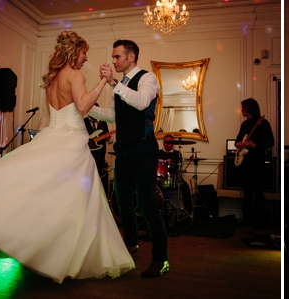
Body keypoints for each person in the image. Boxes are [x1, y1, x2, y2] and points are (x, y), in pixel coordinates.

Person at [0, 31, 133, 283]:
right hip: (71, 145)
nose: (85, 58)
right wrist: (103, 82)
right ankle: (62, 256)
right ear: (73, 52)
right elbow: (82, 107)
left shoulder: (51, 79)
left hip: (53, 137)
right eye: (83, 53)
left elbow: (75, 109)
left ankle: (52, 253)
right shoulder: (76, 75)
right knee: (73, 204)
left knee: (49, 198)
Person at [89, 39, 169, 278]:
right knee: (122, 201)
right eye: (113, 58)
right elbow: (114, 115)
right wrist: (88, 108)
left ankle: (161, 258)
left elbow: (141, 102)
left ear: (131, 57)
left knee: (146, 203)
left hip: (144, 149)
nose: (114, 61)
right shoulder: (121, 84)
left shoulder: (147, 78)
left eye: (117, 57)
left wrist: (114, 83)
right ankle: (131, 243)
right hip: (123, 151)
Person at [235, 98, 274, 228]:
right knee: (246, 192)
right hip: (246, 162)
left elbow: (270, 142)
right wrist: (239, 144)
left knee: (258, 192)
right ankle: (247, 220)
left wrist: (255, 145)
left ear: (249, 109)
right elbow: (237, 140)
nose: (241, 110)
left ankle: (259, 221)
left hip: (257, 162)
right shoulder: (244, 124)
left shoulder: (263, 123)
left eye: (243, 108)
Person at [84, 104, 110, 189]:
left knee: (98, 178)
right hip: (87, 155)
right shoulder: (83, 121)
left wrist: (109, 138)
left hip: (100, 156)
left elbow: (109, 140)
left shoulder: (103, 123)